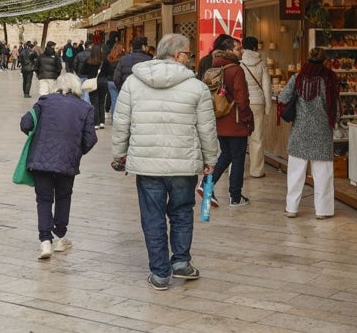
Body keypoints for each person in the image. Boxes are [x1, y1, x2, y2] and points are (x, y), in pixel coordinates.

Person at [111, 34, 218, 291]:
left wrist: (119, 154)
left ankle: (160, 273)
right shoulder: (197, 88)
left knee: (152, 216)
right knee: (182, 212)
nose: (189, 59)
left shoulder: (132, 84)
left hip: (147, 164)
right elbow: (206, 128)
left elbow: (120, 122)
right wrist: (210, 158)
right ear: (178, 55)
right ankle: (180, 261)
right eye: (188, 54)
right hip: (184, 164)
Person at [20, 72, 98, 259]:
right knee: (63, 196)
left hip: (41, 159)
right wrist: (77, 151)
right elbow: (90, 139)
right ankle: (60, 238)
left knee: (44, 199)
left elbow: (25, 123)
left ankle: (45, 242)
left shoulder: (45, 101)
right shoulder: (85, 107)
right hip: (67, 160)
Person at [277, 47, 340, 218]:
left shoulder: (298, 78)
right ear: (325, 61)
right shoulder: (329, 79)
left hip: (300, 130)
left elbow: (282, 98)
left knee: (295, 173)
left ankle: (292, 208)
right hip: (322, 130)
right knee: (323, 174)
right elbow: (334, 106)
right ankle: (323, 211)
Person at [204, 34, 254, 207]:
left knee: (225, 155)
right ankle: (235, 196)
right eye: (238, 49)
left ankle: (206, 184)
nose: (241, 52)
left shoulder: (214, 66)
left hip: (220, 119)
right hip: (236, 122)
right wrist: (248, 118)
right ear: (228, 51)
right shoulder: (236, 69)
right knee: (238, 158)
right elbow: (242, 99)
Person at [239, 36, 270, 178]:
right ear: (255, 47)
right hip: (257, 103)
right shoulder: (262, 64)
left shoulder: (239, 63)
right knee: (257, 137)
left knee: (238, 136)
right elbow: (267, 87)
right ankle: (257, 171)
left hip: (242, 103)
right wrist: (268, 107)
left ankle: (236, 169)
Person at [75, 43, 112, 129]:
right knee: (102, 102)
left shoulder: (89, 60)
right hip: (103, 82)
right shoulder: (105, 60)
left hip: (92, 82)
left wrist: (90, 73)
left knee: (94, 103)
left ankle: (96, 123)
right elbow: (110, 71)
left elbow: (82, 71)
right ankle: (102, 122)